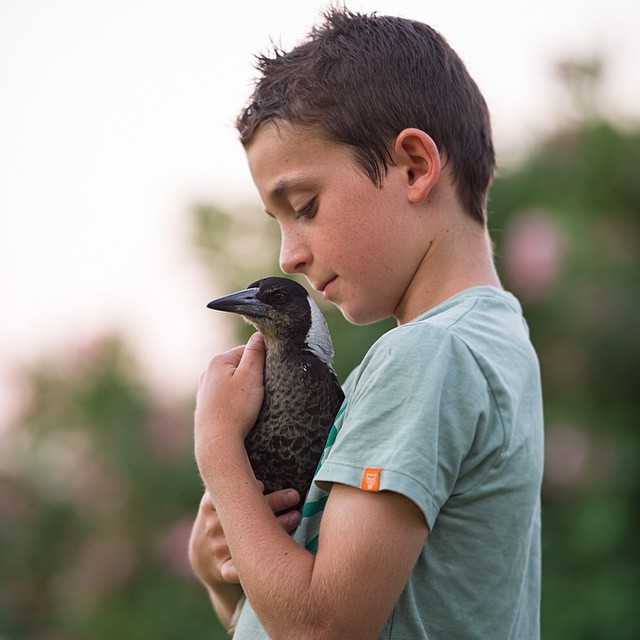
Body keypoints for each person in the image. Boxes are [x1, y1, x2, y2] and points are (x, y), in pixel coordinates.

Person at [190, 7, 544, 639]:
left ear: (413, 166)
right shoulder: (492, 338)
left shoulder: (428, 355)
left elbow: (321, 627)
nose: (288, 255)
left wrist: (217, 448)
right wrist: (224, 573)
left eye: (304, 207)